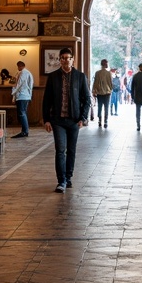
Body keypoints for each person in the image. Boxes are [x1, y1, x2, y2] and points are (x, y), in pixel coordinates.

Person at [42, 47, 91, 192]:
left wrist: (83, 118)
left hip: (74, 120)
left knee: (71, 150)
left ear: (72, 59)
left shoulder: (80, 77)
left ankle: (68, 177)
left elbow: (87, 99)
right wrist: (47, 119)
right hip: (57, 120)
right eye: (62, 58)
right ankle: (61, 181)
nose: (65, 60)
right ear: (59, 60)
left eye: (68, 58)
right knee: (60, 150)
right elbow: (47, 100)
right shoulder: (53, 77)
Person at [12, 59, 33, 138]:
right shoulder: (23, 73)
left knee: (22, 113)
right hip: (24, 96)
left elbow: (19, 85)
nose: (18, 68)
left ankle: (25, 131)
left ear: (21, 66)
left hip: (22, 96)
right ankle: (24, 130)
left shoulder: (24, 73)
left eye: (18, 66)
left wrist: (13, 94)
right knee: (22, 113)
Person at [92, 59, 113, 128]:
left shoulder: (97, 73)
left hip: (99, 93)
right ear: (106, 64)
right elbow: (110, 83)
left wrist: (94, 91)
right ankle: (106, 121)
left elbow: (95, 83)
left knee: (99, 107)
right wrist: (111, 89)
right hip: (107, 93)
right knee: (106, 107)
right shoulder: (108, 73)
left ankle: (99, 121)